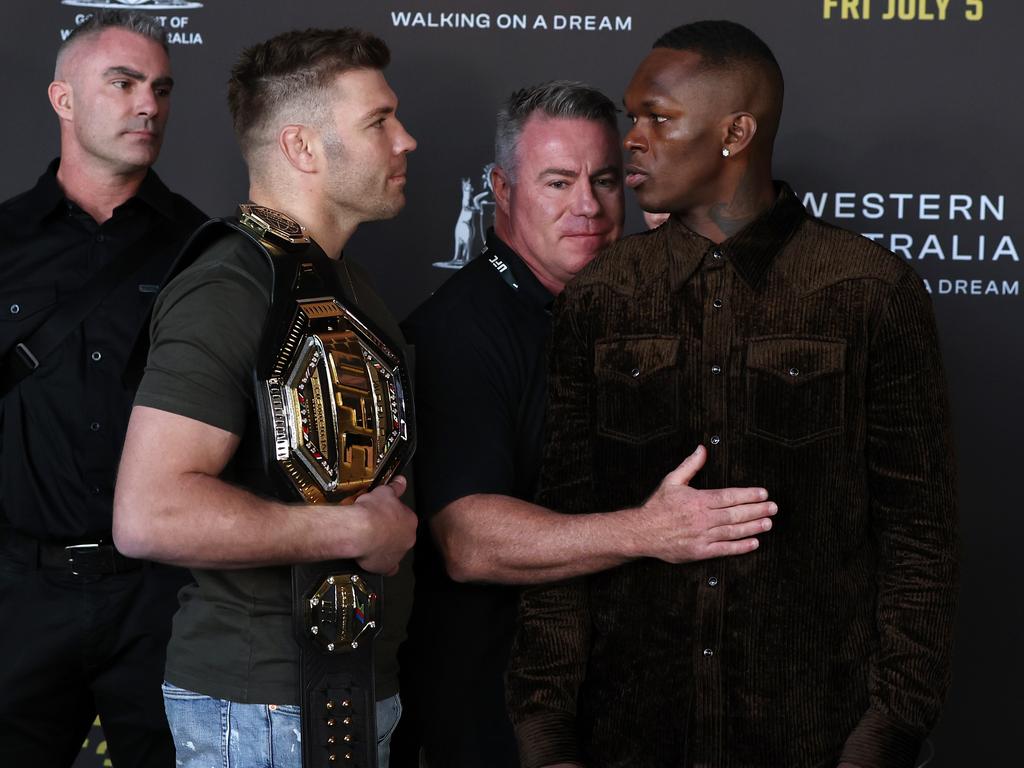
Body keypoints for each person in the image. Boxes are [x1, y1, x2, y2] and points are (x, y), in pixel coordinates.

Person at [506, 21, 958, 768]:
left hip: (815, 739)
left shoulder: (868, 290)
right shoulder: (602, 297)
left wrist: (887, 733)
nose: (634, 141)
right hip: (628, 736)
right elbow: (567, 516)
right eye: (633, 118)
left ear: (735, 131)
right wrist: (546, 734)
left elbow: (921, 539)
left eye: (658, 118)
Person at [396, 81, 778, 767]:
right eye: (558, 181)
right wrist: (649, 531)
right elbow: (469, 541)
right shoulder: (460, 332)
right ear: (503, 189)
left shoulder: (625, 308)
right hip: (497, 718)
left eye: (604, 181)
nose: (587, 207)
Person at [112, 28, 418, 767]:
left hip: (348, 691)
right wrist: (350, 533)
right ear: (302, 148)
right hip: (259, 711)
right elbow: (149, 514)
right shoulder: (228, 288)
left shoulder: (349, 285)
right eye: (379, 121)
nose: (406, 141)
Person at [0, 11, 204, 767]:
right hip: (20, 593)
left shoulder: (203, 247)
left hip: (164, 601)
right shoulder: (5, 240)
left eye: (160, 87)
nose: (148, 104)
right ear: (62, 99)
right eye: (122, 83)